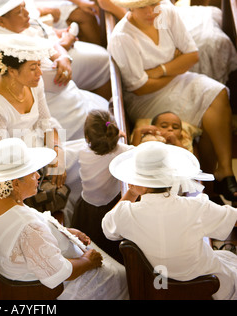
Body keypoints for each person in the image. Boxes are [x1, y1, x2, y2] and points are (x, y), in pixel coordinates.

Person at [0, 138, 129, 299]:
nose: (38, 176)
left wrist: (65, 231)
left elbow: (28, 236)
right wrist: (87, 261)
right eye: (32, 173)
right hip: (59, 283)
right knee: (121, 279)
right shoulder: (27, 226)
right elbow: (58, 273)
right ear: (15, 183)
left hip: (40, 260)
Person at [107, 0, 237, 202]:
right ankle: (208, 188)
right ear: (130, 7)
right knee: (207, 111)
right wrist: (176, 65)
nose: (151, 12)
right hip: (145, 99)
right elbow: (140, 87)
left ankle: (225, 172)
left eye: (154, 4)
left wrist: (159, 71)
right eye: (143, 7)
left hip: (175, 81)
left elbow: (192, 56)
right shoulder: (122, 37)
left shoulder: (167, 12)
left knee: (218, 92)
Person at [0, 0, 110, 141]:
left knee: (104, 113)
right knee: (102, 124)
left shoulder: (16, 27)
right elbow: (49, 84)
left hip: (55, 98)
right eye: (19, 11)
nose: (27, 13)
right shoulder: (4, 52)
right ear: (1, 20)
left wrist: (62, 56)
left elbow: (46, 41)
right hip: (51, 107)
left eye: (24, 7)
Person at [102, 141, 237, 300]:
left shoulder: (126, 213)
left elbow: (107, 228)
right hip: (205, 286)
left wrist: (132, 194)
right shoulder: (196, 207)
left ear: (139, 182)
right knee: (230, 260)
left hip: (155, 287)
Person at [0, 33, 86, 225]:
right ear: (11, 70)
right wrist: (41, 171)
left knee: (87, 157)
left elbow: (46, 122)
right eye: (33, 67)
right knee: (83, 163)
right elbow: (6, 165)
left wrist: (58, 153)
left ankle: (82, 216)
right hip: (25, 169)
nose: (40, 72)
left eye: (39, 65)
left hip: (45, 150)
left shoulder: (32, 83)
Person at [98, 0, 237, 84]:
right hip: (146, 22)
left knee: (212, 18)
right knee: (211, 42)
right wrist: (140, 20)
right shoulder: (125, 30)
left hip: (162, 13)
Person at [71, 109, 133, 263]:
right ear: (114, 130)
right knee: (112, 252)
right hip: (110, 207)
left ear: (87, 138)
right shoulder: (124, 152)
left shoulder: (83, 151)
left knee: (87, 246)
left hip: (86, 210)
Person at [131, 111, 200, 152]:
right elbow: (133, 152)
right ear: (153, 128)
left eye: (175, 127)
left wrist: (176, 142)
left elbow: (188, 157)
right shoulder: (149, 138)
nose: (170, 129)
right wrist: (138, 132)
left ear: (180, 134)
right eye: (164, 126)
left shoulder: (182, 141)